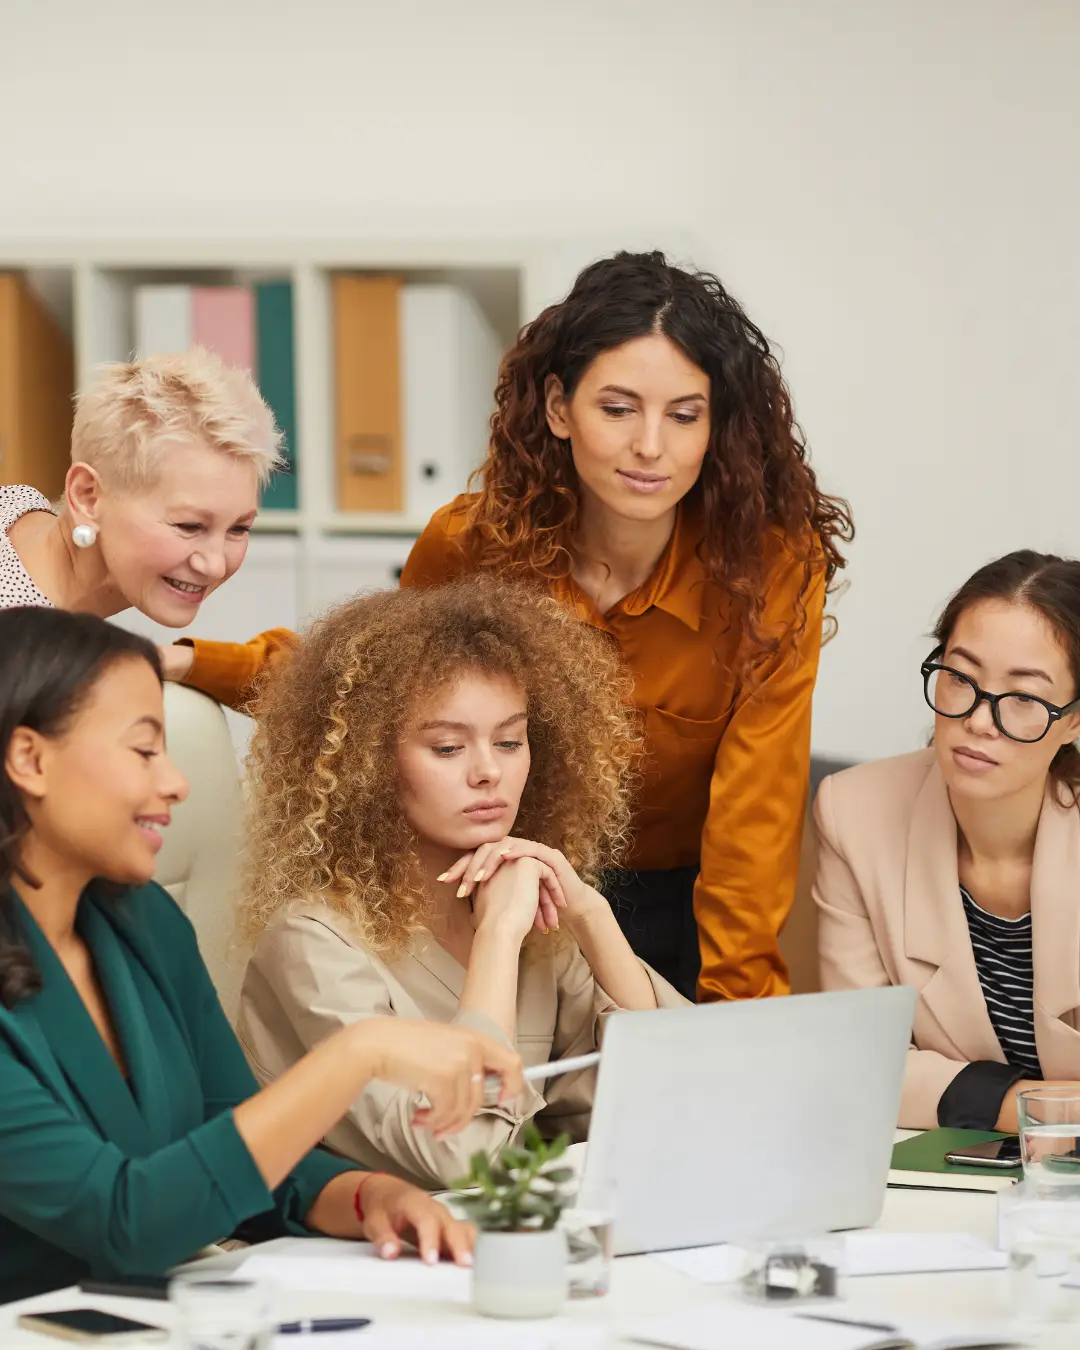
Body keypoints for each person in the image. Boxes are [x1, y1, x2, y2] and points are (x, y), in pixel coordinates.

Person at [164, 251, 853, 1003]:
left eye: (684, 415)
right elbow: (365, 684)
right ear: (559, 408)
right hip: (500, 890)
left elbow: (754, 821)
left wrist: (733, 1022)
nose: (651, 446)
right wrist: (187, 661)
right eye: (618, 409)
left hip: (688, 909)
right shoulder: (472, 543)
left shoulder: (773, 570)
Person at [0, 607, 524, 1302]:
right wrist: (359, 1054)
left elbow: (242, 1156)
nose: (176, 783)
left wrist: (368, 1196)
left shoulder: (144, 922)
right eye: (144, 750)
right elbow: (127, 1222)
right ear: (30, 760)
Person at [236, 578, 687, 1191]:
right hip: (352, 1261)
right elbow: (459, 1160)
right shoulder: (312, 944)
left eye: (510, 741)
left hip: (499, 1248)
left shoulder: (542, 921)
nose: (488, 773)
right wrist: (497, 939)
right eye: (448, 748)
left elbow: (678, 1093)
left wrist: (590, 914)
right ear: (366, 765)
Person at [814, 551, 1080, 1132]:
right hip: (945, 1171)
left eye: (1026, 699)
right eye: (961, 678)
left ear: (1075, 721)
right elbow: (858, 1062)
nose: (980, 720)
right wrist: (1038, 1109)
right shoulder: (853, 813)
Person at [0, 347, 278, 624]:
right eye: (189, 526)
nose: (215, 566)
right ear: (87, 497)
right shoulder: (21, 651)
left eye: (239, 528)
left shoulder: (19, 504)